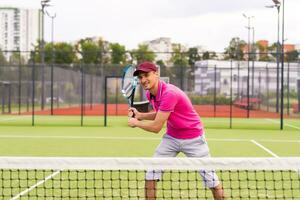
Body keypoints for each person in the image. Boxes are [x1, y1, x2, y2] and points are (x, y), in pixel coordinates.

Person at [127, 61, 226, 200]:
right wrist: (141, 115)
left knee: (212, 182)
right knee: (151, 175)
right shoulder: (151, 94)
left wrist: (136, 123)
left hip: (194, 138)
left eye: (146, 75)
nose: (143, 80)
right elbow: (162, 113)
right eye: (140, 77)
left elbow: (156, 127)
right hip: (172, 138)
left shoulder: (169, 93)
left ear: (156, 74)